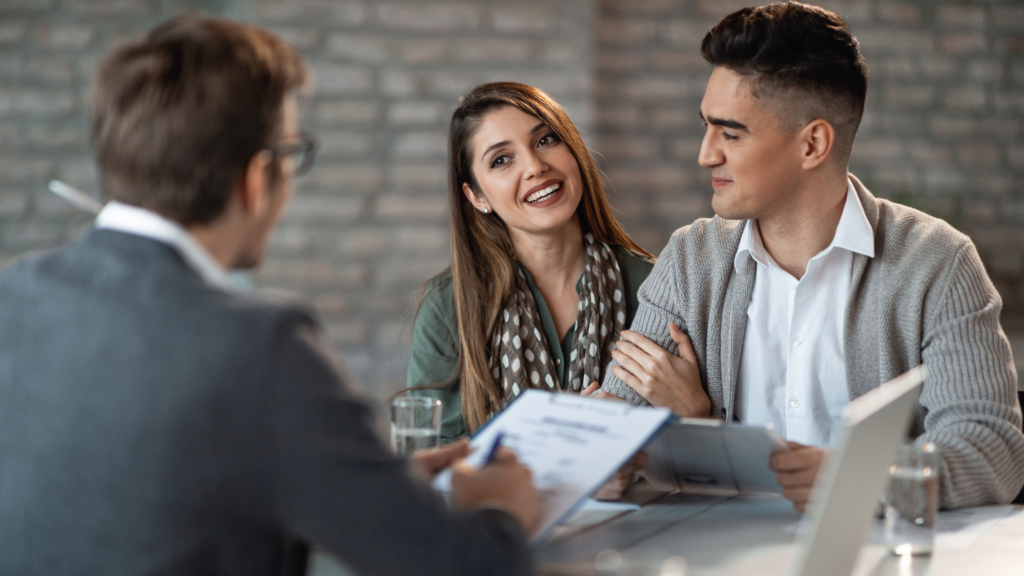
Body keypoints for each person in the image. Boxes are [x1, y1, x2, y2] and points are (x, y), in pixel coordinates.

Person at [0, 17, 539, 576]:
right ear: (258, 178)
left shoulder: (15, 294)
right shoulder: (261, 346)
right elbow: (463, 566)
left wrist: (367, 485)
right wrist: (502, 507)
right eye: (291, 152)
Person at [598, 2, 1024, 512]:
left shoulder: (938, 264)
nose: (705, 153)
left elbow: (993, 449)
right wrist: (600, 457)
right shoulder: (691, 260)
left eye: (730, 133)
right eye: (707, 127)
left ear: (813, 144)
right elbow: (616, 420)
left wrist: (857, 481)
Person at [406, 82, 655, 494]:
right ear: (477, 196)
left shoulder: (653, 286)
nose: (535, 166)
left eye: (546, 140)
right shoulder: (447, 307)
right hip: (498, 541)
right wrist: (566, 457)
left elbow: (686, 436)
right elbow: (430, 468)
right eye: (501, 160)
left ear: (574, 151)